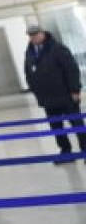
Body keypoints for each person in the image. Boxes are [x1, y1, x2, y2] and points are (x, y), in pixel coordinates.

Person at [24, 25, 86, 164]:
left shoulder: (58, 49)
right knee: (56, 127)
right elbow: (28, 73)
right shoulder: (29, 52)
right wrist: (35, 90)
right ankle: (65, 152)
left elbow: (71, 70)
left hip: (66, 96)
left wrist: (75, 90)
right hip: (47, 98)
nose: (33, 37)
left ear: (42, 33)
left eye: (35, 34)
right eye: (31, 35)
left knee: (76, 124)